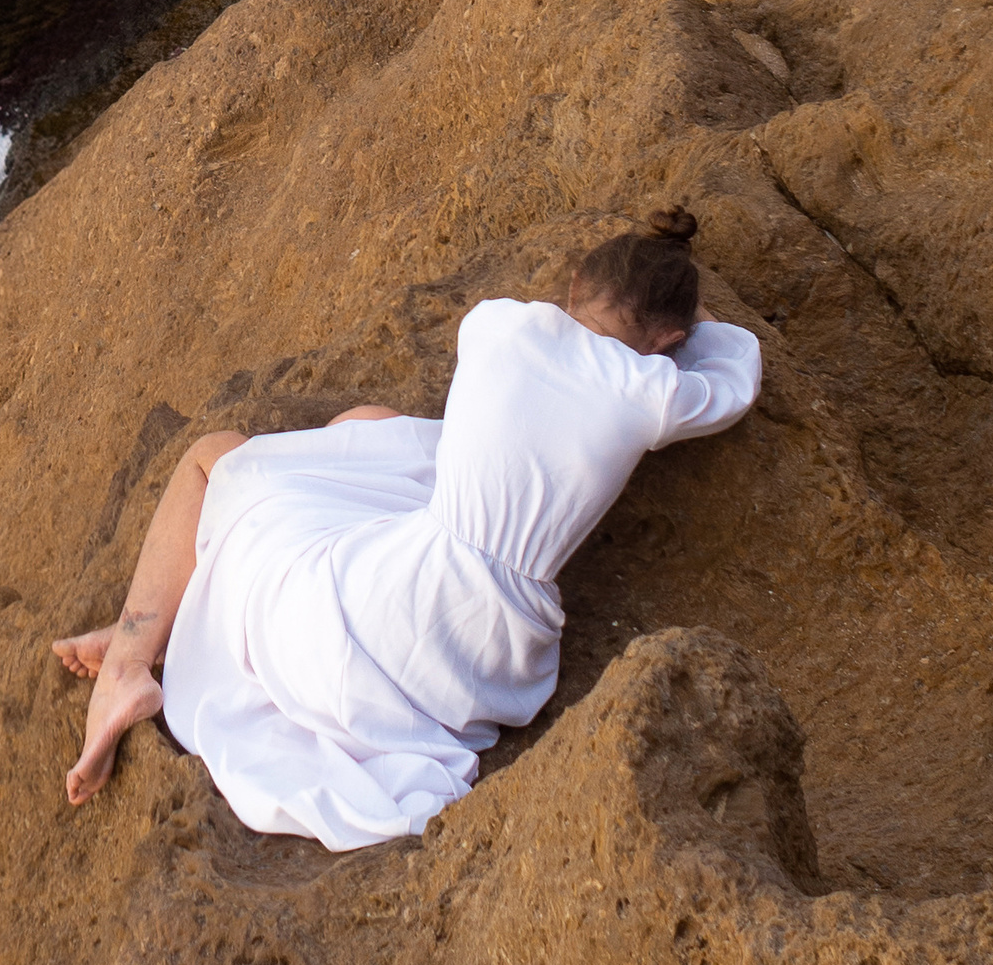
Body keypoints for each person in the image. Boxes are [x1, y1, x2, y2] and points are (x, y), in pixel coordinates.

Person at [52, 211, 761, 849]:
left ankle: (127, 660)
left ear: (573, 282)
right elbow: (736, 369)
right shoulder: (656, 394)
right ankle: (148, 627)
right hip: (495, 646)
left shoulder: (497, 324)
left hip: (388, 601)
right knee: (362, 428)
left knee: (216, 459)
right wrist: (681, 331)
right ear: (669, 341)